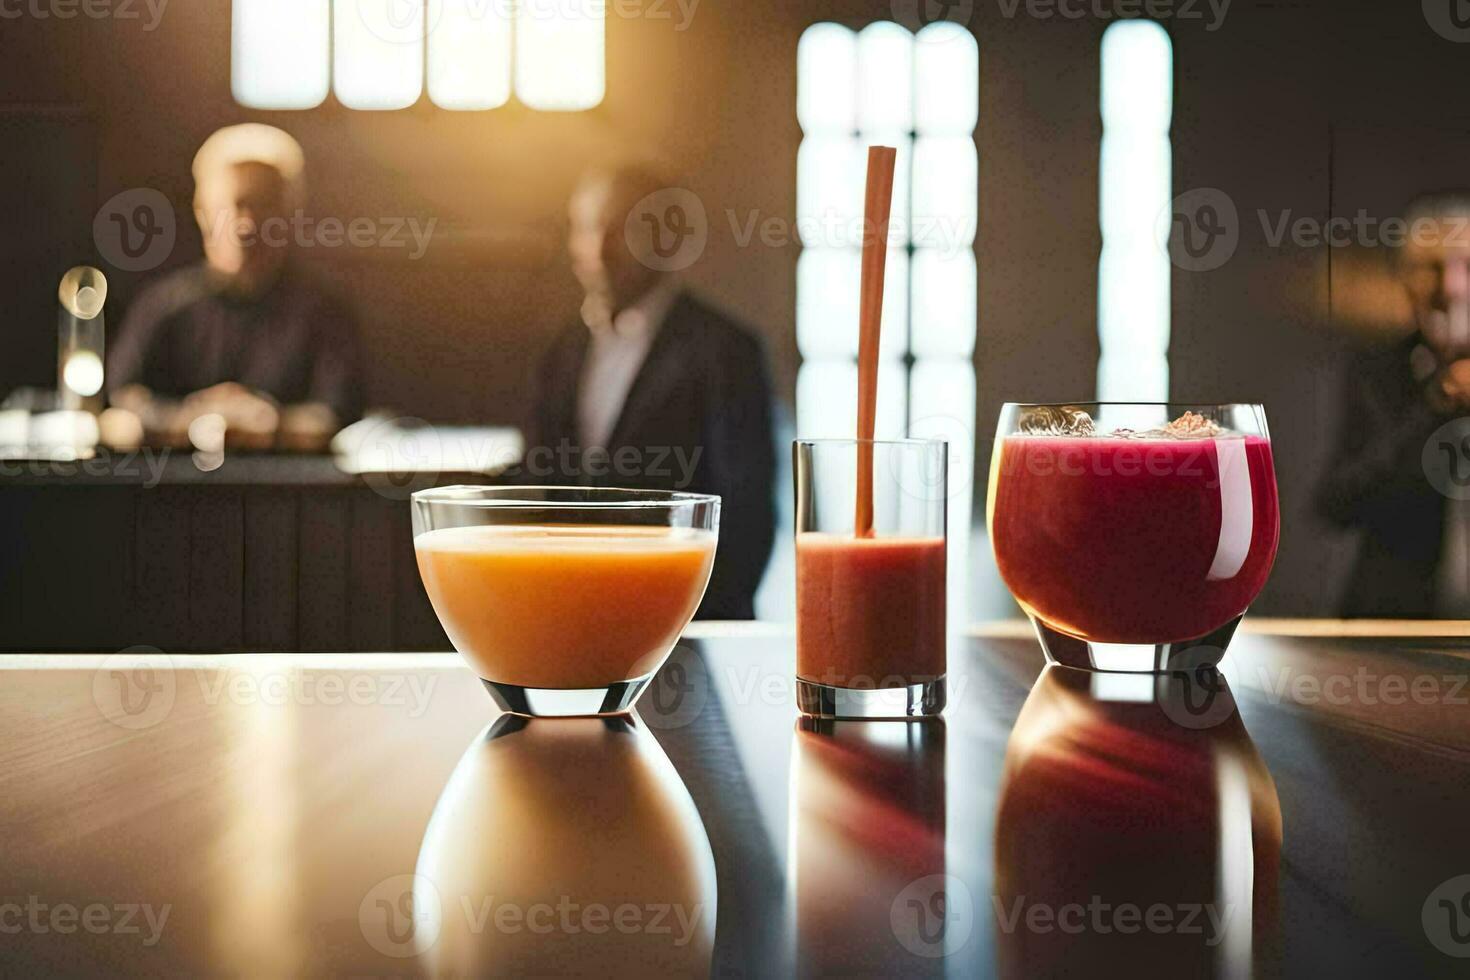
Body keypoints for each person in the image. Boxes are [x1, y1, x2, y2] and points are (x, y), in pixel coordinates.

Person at [523, 166, 777, 619]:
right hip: (575, 620)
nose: (600, 246)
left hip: (687, 628)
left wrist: (679, 621)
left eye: (620, 228)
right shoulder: (560, 349)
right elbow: (538, 488)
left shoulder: (726, 351)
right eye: (586, 227)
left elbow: (747, 515)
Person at [106, 124, 365, 451]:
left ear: (291, 213)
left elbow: (338, 416)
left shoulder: (325, 312)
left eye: (263, 205)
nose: (247, 223)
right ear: (202, 212)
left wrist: (267, 423)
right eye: (233, 205)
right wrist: (198, 421)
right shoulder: (163, 307)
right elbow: (120, 410)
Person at [1317, 191, 1470, 616]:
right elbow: (1337, 503)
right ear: (1405, 280)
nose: (1451, 288)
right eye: (1432, 269)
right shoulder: (1376, 374)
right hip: (1390, 624)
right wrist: (1436, 402)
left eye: (1467, 267)